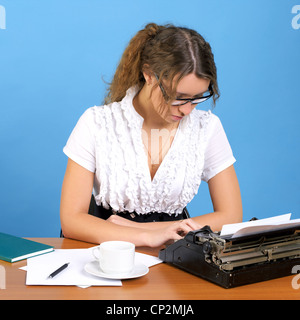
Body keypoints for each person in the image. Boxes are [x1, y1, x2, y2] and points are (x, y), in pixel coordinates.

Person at [60, 23, 242, 247]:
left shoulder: (207, 127)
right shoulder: (97, 122)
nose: (187, 110)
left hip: (175, 249)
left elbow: (231, 215)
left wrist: (149, 229)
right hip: (106, 251)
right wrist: (149, 236)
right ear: (148, 74)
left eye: (197, 98)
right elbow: (71, 221)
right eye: (179, 97)